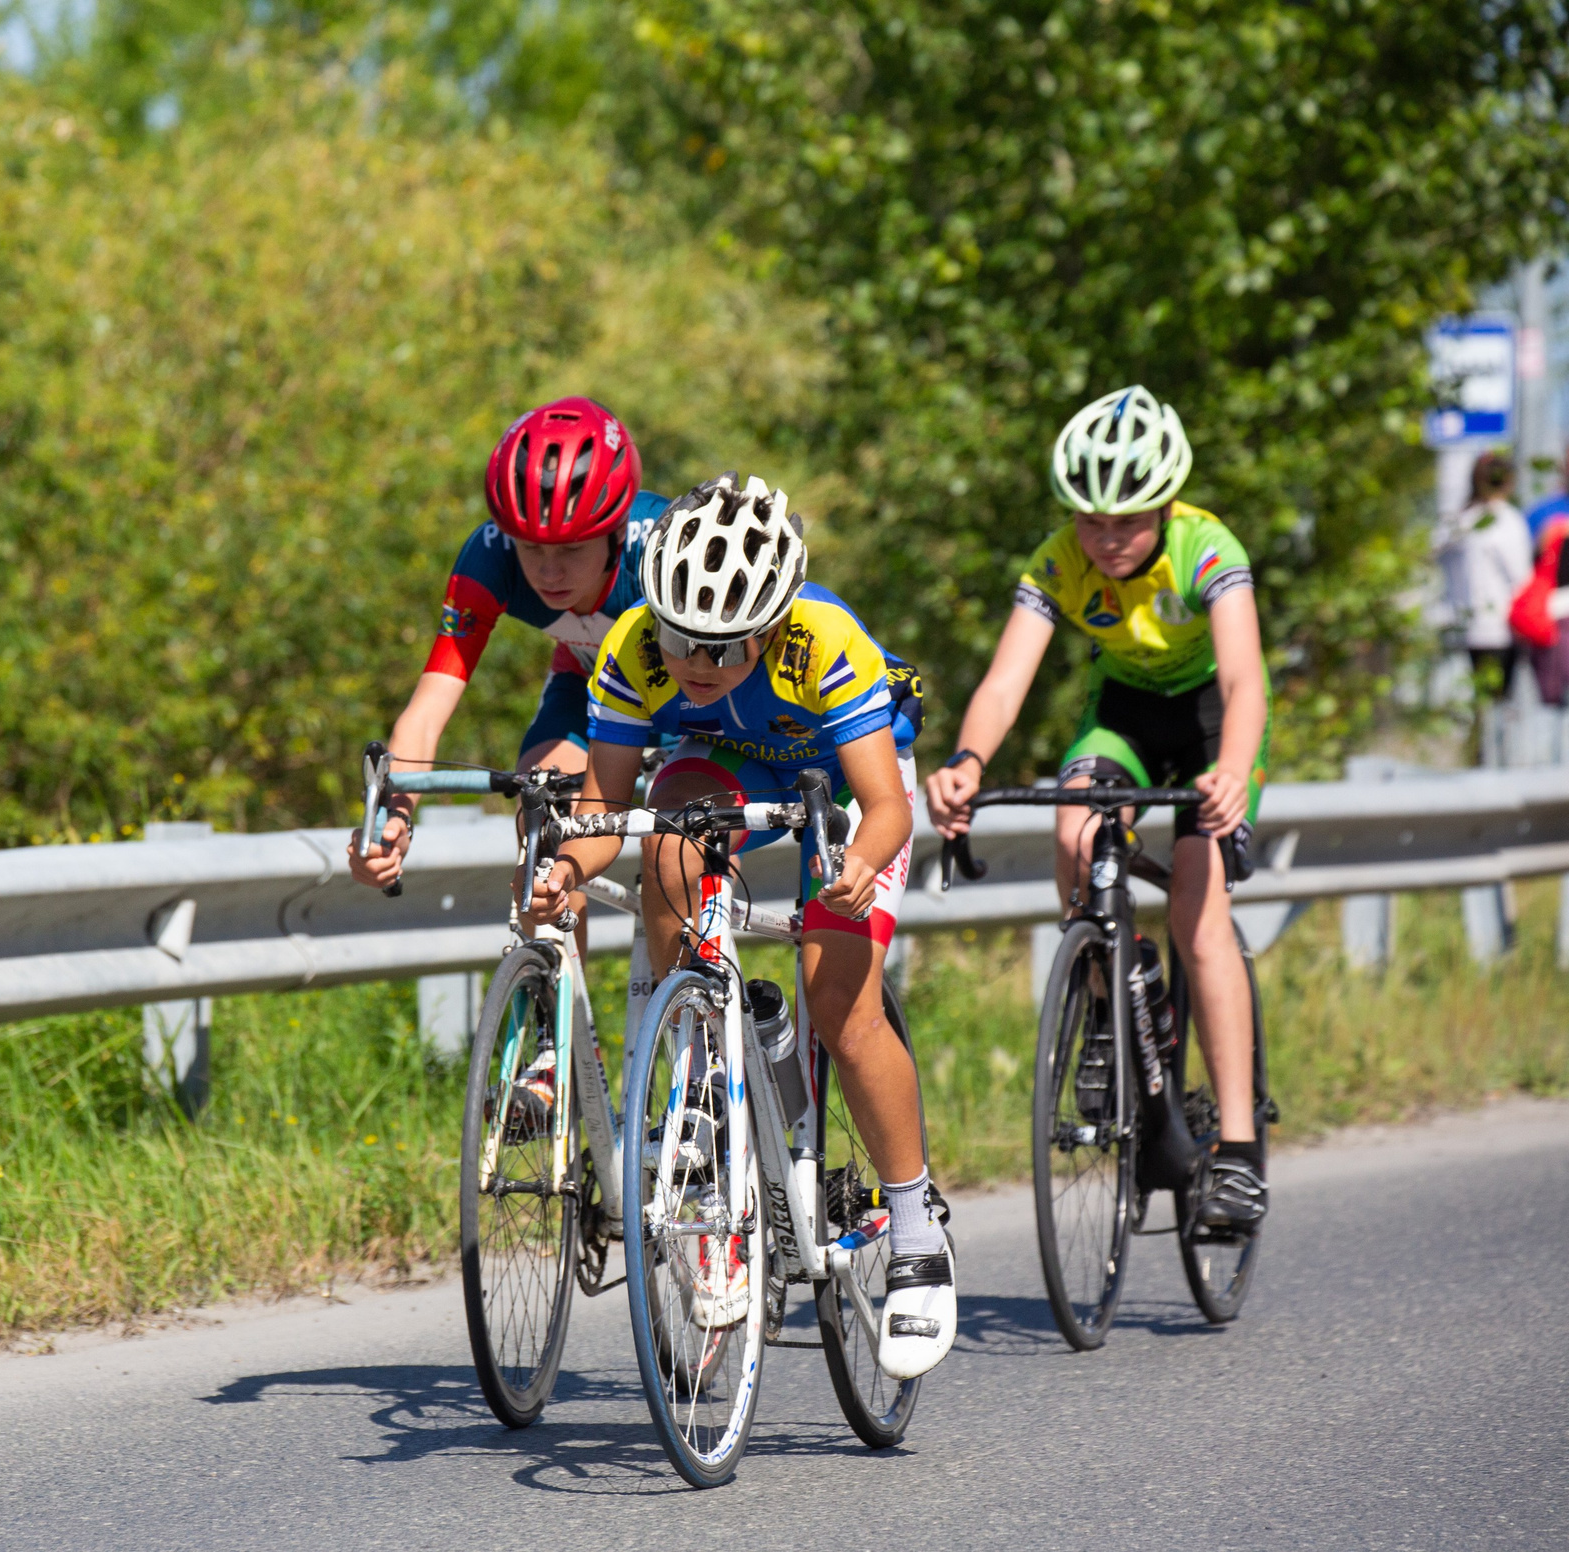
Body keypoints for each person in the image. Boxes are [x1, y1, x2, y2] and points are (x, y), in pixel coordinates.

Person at [525, 472, 955, 1381]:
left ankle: (917, 1227)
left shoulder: (823, 641)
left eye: (721, 649)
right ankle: (706, 1060)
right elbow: (605, 806)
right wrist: (563, 869)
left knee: (841, 1005)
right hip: (720, 766)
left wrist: (858, 867)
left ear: (770, 625)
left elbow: (885, 805)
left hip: (837, 788)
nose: (693, 660)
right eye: (680, 637)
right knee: (669, 843)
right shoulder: (638, 647)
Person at [922, 384, 1269, 1231]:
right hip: (1122, 718)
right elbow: (1008, 679)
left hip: (1210, 727)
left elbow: (1244, 677)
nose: (1108, 540)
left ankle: (1235, 1151)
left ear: (1165, 504)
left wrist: (1229, 769)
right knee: (1074, 827)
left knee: (1198, 914)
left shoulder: (1204, 545)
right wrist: (968, 760)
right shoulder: (1056, 560)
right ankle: (1114, 986)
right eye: (1091, 521)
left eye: (1128, 522)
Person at [347, 399, 669, 902]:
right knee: (543, 818)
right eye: (531, 548)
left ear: (616, 532)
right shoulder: (490, 556)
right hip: (591, 684)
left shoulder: (662, 551)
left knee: (684, 849)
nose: (548, 573)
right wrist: (396, 817)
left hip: (690, 695)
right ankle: (552, 966)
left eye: (571, 550)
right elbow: (427, 713)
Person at [1440, 450, 1533, 705]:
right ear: (1508, 482)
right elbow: (1521, 577)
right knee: (1500, 702)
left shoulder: (1459, 522)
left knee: (1480, 699)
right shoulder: (1506, 521)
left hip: (1465, 626)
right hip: (1501, 628)